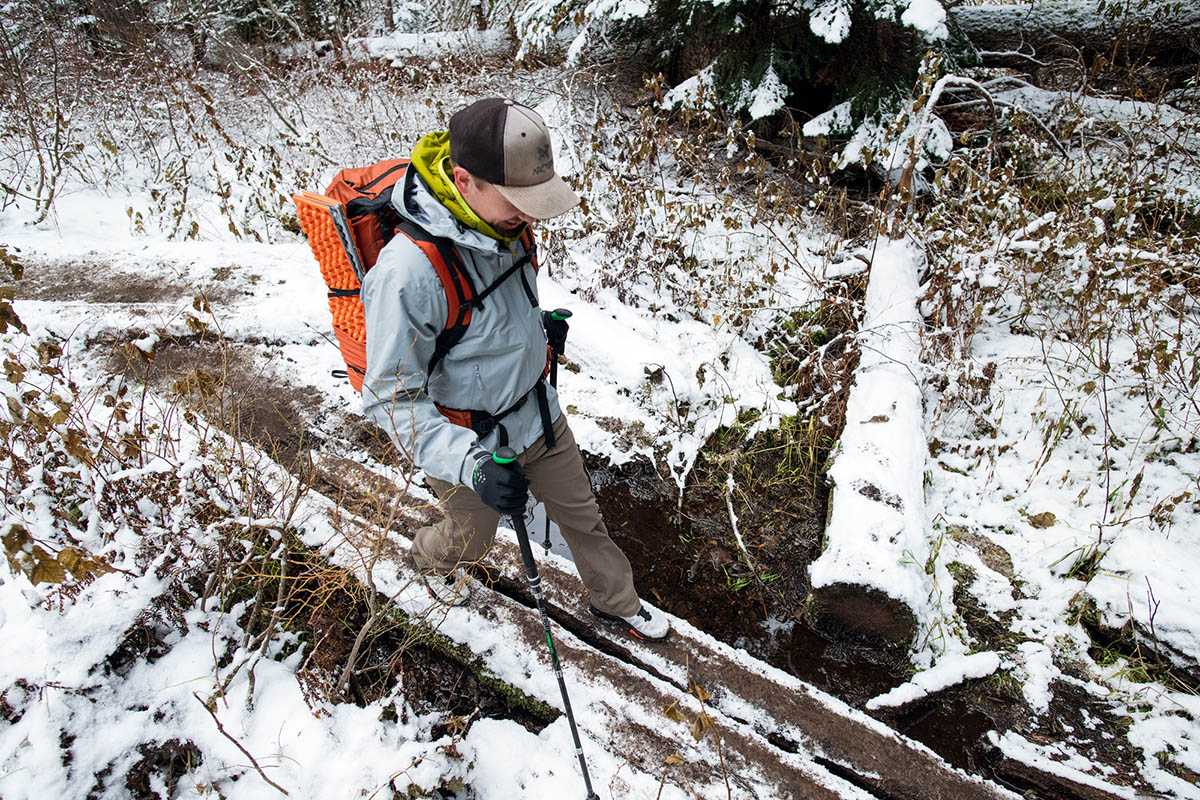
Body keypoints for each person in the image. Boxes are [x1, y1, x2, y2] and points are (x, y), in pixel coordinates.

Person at [360, 98, 669, 641]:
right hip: (472, 441)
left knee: (584, 517)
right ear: (464, 181)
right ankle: (427, 558)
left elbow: (486, 313)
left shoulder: (506, 224)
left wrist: (536, 330)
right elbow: (390, 400)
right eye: (518, 202)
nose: (529, 217)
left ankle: (615, 599)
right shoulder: (407, 275)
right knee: (471, 541)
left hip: (538, 415)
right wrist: (473, 466)